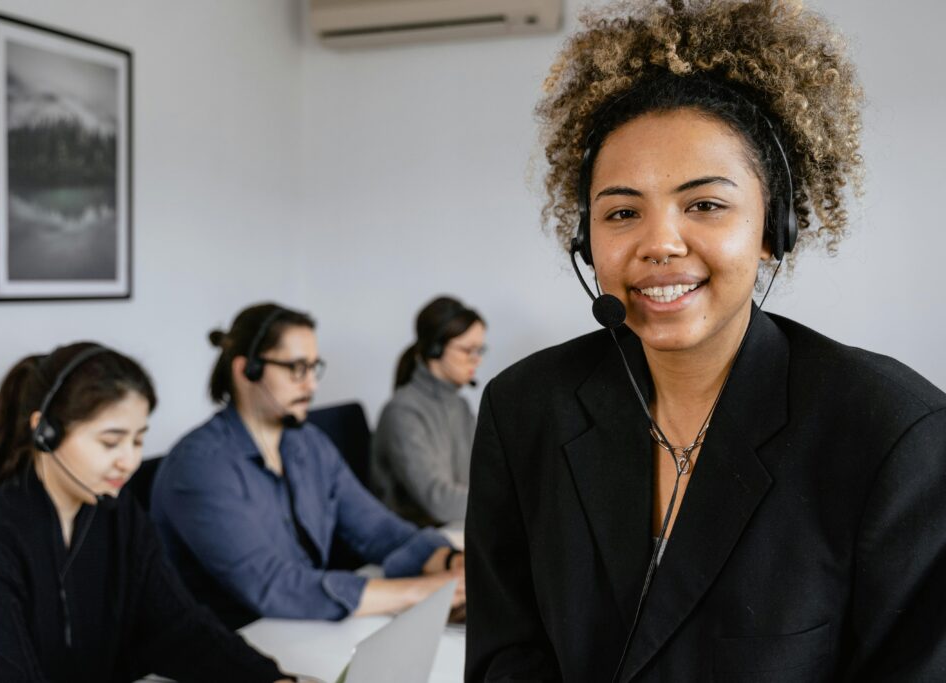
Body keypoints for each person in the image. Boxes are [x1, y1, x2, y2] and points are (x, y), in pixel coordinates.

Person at [465, 1, 946, 681]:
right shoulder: (524, 410)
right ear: (585, 241)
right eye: (623, 212)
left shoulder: (894, 434)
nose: (659, 242)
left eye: (706, 205)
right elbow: (505, 657)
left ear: (773, 228)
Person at [0, 342, 295, 683]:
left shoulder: (116, 515)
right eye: (110, 442)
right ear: (45, 433)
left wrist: (270, 679)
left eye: (138, 440)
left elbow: (179, 627)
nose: (129, 461)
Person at [151, 303, 465, 629]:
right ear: (246, 370)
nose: (311, 385)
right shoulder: (199, 467)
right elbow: (272, 586)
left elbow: (376, 529)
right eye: (296, 369)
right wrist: (419, 592)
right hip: (239, 643)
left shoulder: (309, 444)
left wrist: (450, 563)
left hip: (303, 629)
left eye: (314, 368)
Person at [373, 296, 485, 527]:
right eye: (468, 350)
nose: (477, 361)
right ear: (435, 349)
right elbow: (439, 502)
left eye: (480, 350)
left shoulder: (461, 406)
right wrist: (503, 501)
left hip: (454, 529)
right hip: (417, 539)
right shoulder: (402, 412)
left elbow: (480, 477)